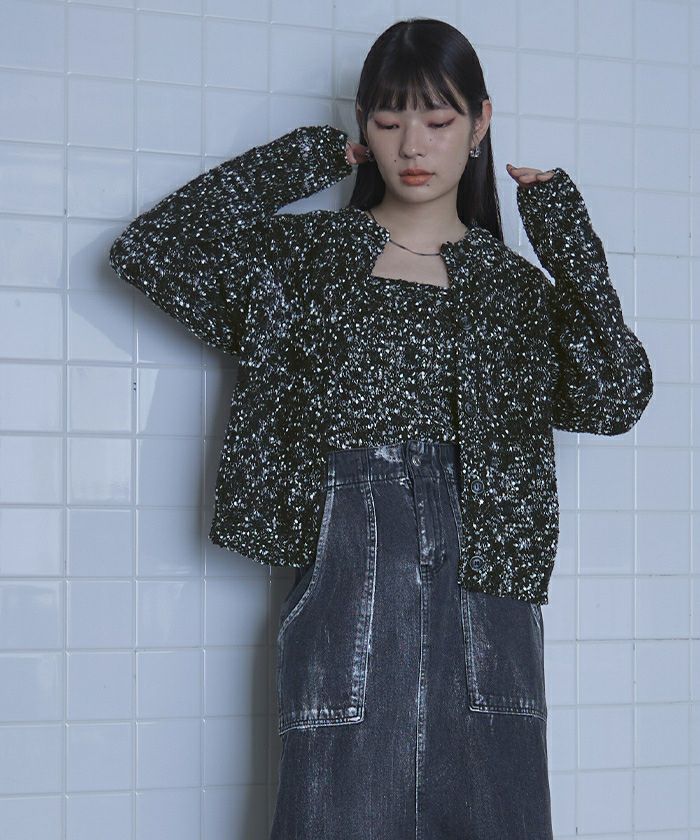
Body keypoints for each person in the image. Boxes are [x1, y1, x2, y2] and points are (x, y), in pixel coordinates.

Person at [108, 17, 653, 840]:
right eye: (389, 120)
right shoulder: (305, 261)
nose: (413, 144)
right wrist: (301, 160)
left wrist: (567, 243)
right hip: (347, 579)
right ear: (364, 124)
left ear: (480, 123)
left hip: (489, 593)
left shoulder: (513, 290)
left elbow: (616, 397)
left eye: (437, 119)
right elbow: (152, 250)